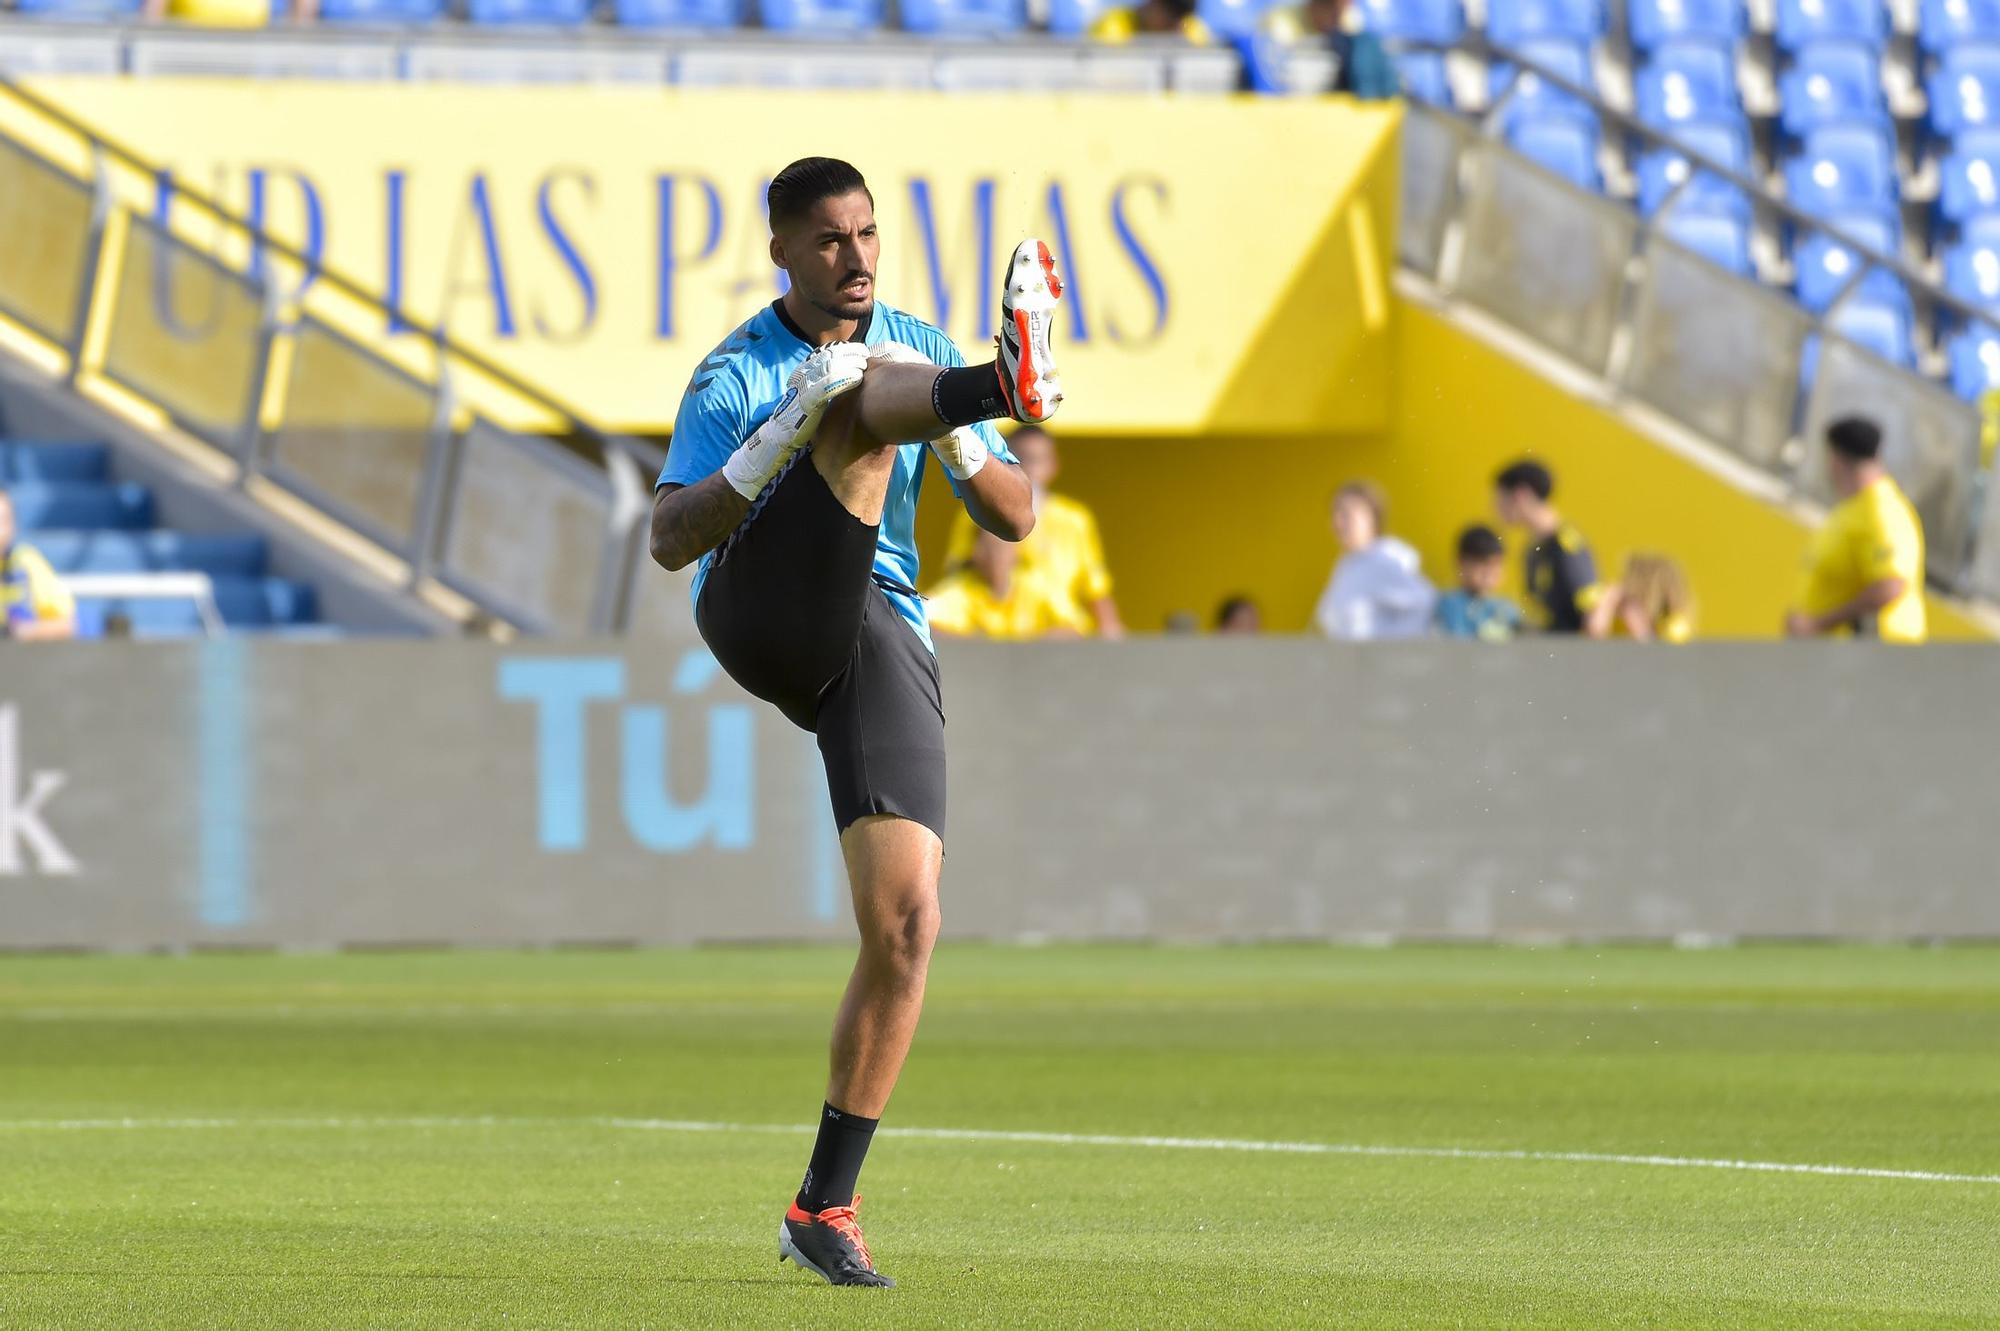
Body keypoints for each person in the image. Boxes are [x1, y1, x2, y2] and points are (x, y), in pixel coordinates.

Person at [648, 157, 1061, 1287]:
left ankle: (821, 1203)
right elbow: (670, 537)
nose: (857, 257)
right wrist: (774, 435)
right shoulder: (734, 371)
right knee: (843, 394)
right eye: (830, 240)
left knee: (908, 924)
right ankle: (999, 377)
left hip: (873, 630)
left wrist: (980, 434)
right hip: (763, 609)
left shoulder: (908, 337)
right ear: (780, 250)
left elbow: (1016, 516)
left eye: (868, 234)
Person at [943, 425, 1123, 638]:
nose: (1031, 468)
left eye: (1038, 460)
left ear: (1053, 465)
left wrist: (1112, 635)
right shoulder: (980, 512)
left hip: (1056, 626)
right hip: (994, 623)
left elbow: (1095, 584)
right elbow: (959, 570)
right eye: (1021, 459)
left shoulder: (1074, 519)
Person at [1785, 417, 1927, 643]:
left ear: (1836, 460)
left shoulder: (1882, 511)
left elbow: (1890, 584)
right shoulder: (1855, 508)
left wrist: (1818, 623)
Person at [1314, 480, 1435, 640]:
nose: (1338, 521)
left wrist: (1386, 651)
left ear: (1371, 516)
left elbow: (1425, 603)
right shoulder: (1346, 564)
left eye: (1346, 513)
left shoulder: (1385, 559)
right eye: (1335, 512)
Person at [1494, 458, 1601, 634]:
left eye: (1501, 498)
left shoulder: (1566, 545)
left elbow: (1593, 618)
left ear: (1521, 495)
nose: (1496, 508)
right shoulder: (1532, 549)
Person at [925, 528, 1087, 639]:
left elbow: (1075, 629)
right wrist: (981, 647)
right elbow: (924, 629)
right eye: (989, 547)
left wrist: (1024, 649)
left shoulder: (1036, 587)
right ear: (975, 552)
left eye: (1003, 547)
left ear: (1017, 552)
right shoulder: (955, 592)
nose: (996, 557)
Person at [1258, 0, 1400, 98]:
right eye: (1330, 7)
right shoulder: (1282, 20)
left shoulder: (1349, 20)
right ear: (1313, 5)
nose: (1337, 15)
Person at [0, 490, 77, 643]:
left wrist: (20, 632)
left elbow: (66, 625)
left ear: (13, 526)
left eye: (3, 521)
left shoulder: (26, 562)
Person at [1432, 524, 1523, 642]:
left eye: (1496, 564)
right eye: (1483, 563)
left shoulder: (1508, 608)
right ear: (1461, 563)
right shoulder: (1449, 604)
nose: (1490, 571)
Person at [1587, 553, 1695, 643]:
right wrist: (1607, 601)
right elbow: (1593, 640)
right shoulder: (1618, 621)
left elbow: (1655, 658)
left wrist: (1636, 623)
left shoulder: (1674, 625)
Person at [1092, 0, 1213, 43]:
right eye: (1170, 17)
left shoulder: (1190, 27)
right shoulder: (1114, 24)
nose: (1176, 26)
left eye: (1181, 19)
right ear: (1154, 3)